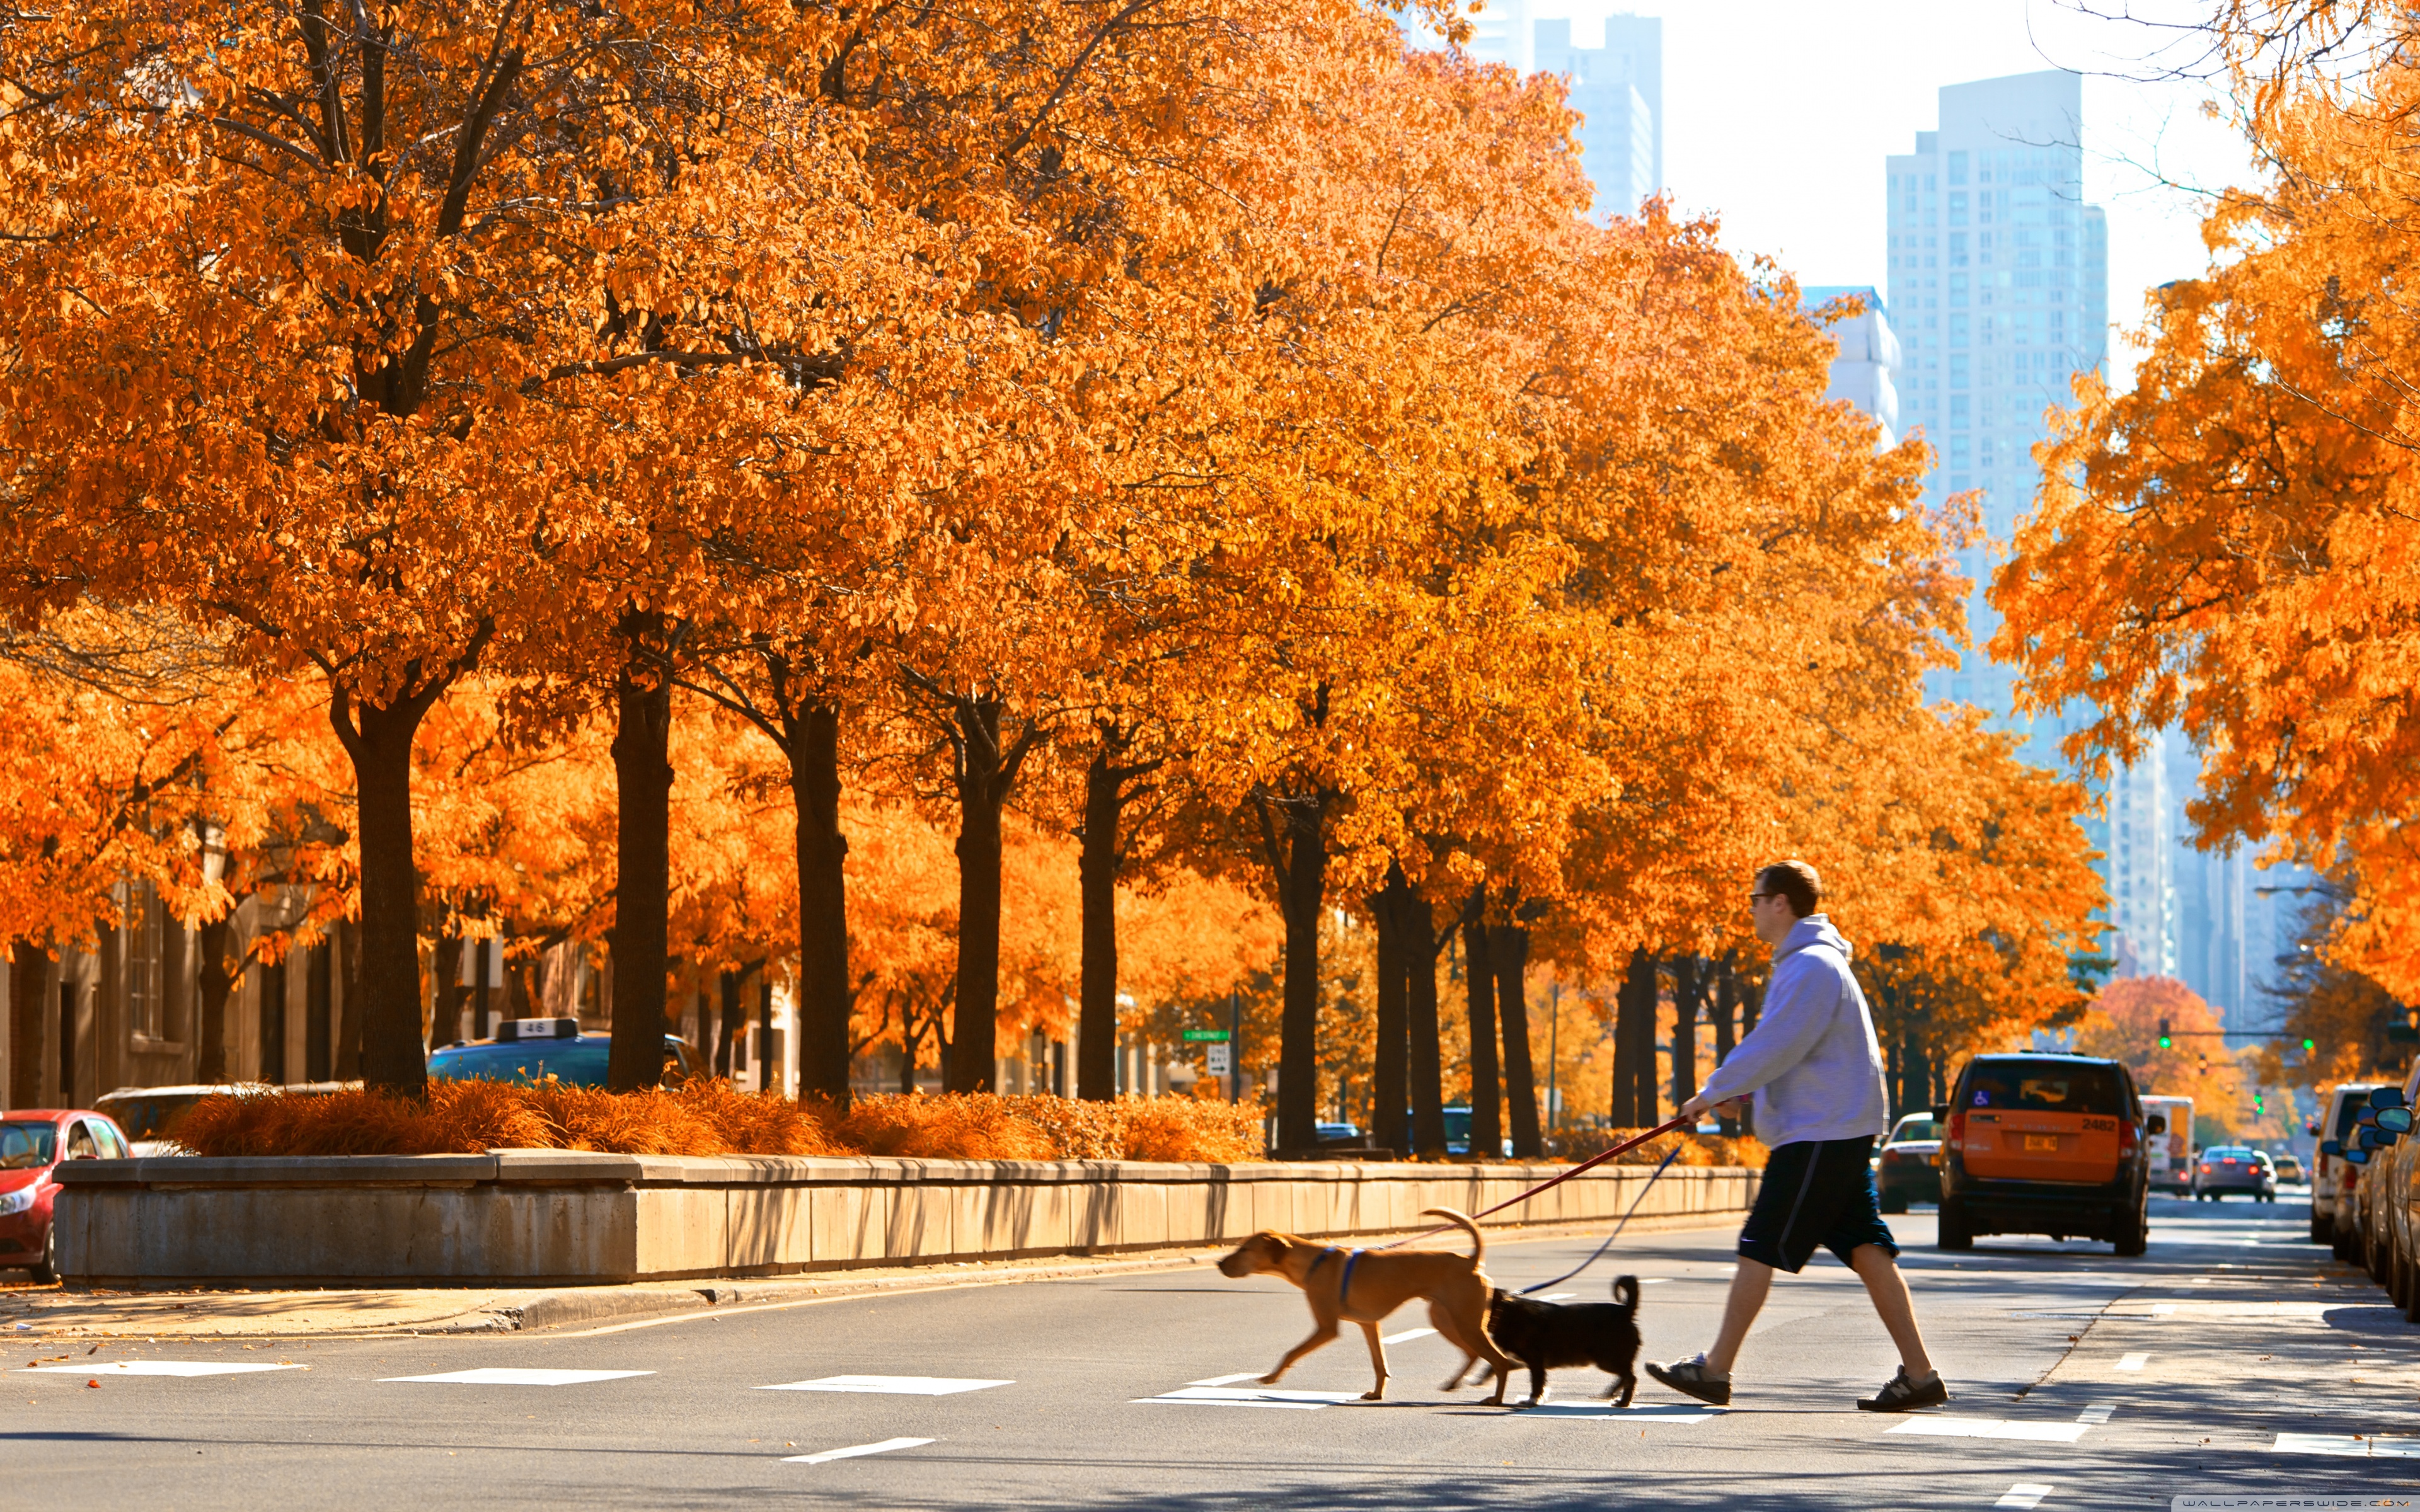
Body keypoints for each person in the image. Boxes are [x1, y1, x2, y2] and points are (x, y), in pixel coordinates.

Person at [1643, 859, 1946, 1412]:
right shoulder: (1809, 964)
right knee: (1867, 1248)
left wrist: (1710, 1093)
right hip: (1834, 1129)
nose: (1752, 908)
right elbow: (1795, 1053)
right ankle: (1921, 1375)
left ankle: (1715, 1371)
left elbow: (1772, 1045)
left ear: (1781, 902)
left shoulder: (1811, 967)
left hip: (1820, 1135)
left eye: (1756, 898)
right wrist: (1747, 1094)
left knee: (1759, 1243)